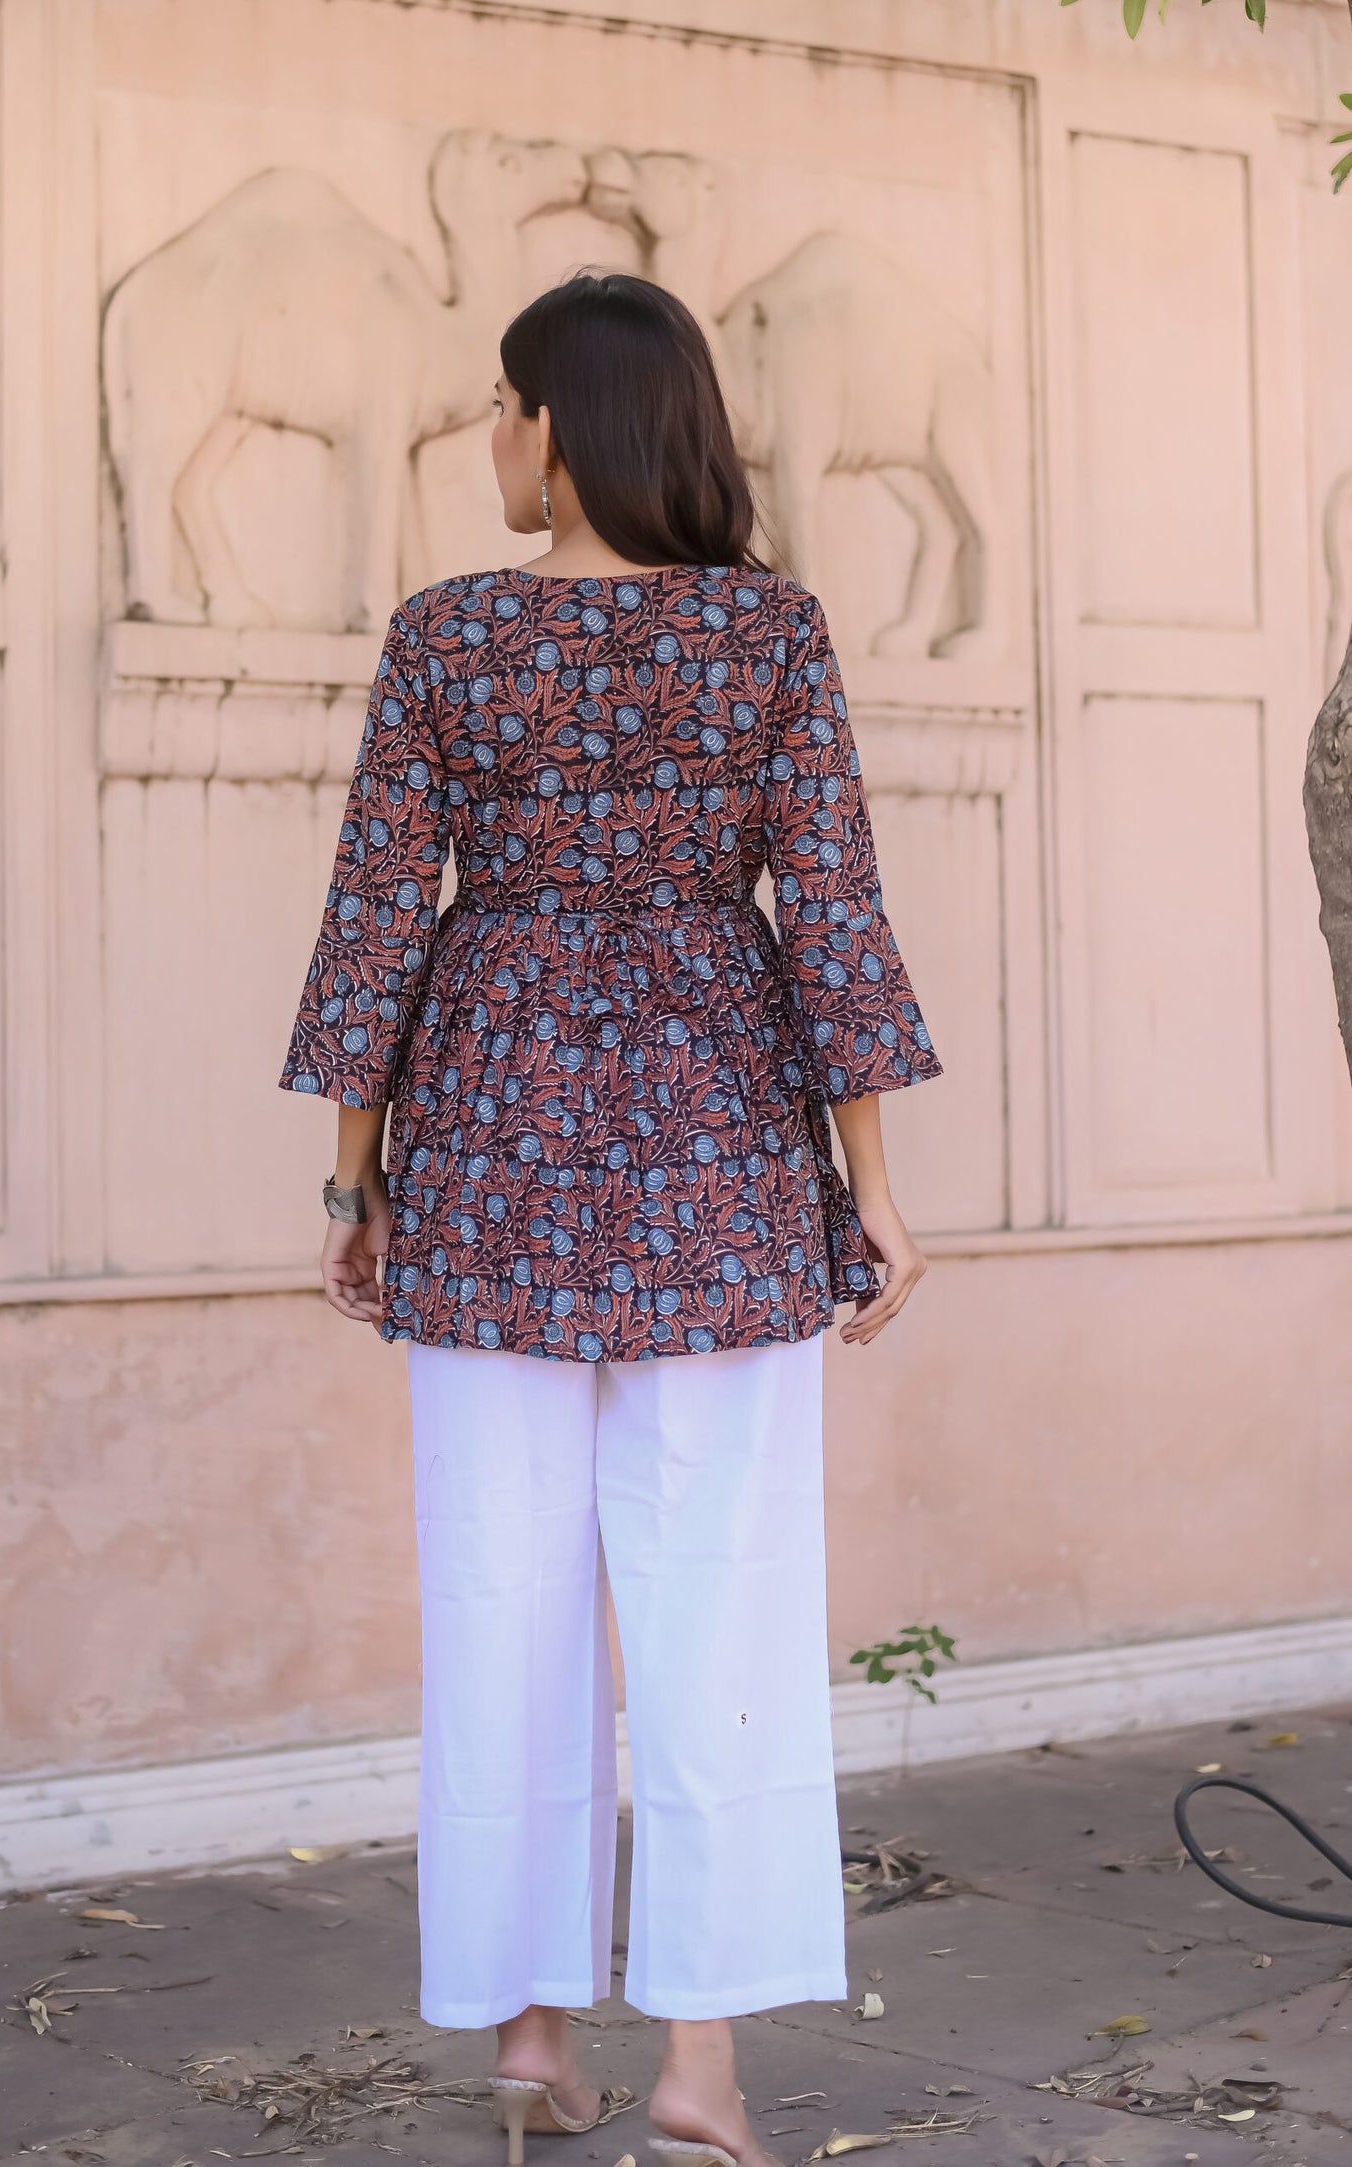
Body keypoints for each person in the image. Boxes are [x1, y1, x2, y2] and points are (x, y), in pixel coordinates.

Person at [281, 271, 942, 2167]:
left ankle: (525, 2040)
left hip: (484, 1154)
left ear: (558, 425)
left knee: (500, 1602)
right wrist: (874, 1200)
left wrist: (352, 1182)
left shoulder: (447, 636)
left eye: (499, 404)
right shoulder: (768, 637)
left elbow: (374, 921)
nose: (487, 436)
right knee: (719, 1607)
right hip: (718, 1162)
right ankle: (700, 2078)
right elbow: (827, 915)